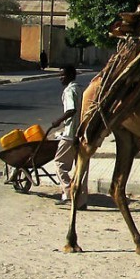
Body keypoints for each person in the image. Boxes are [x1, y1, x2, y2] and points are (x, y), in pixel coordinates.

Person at [52, 64, 89, 210]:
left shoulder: (69, 91)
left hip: (71, 133)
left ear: (71, 76)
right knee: (81, 168)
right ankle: (81, 201)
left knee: (59, 163)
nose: (60, 78)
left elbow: (71, 110)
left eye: (63, 75)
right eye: (60, 75)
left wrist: (58, 121)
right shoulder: (81, 89)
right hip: (84, 134)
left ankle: (68, 192)